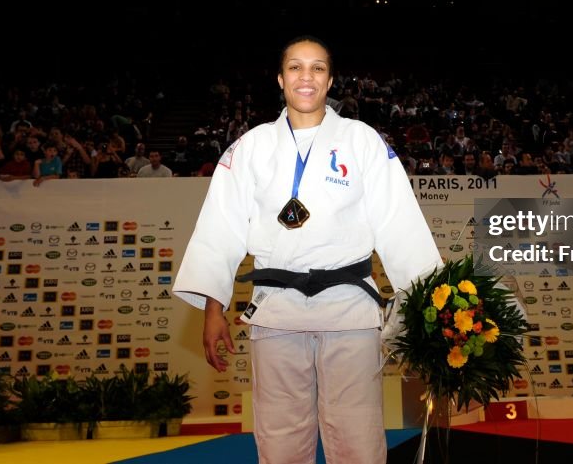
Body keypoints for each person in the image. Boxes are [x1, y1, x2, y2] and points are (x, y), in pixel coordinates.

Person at [174, 36, 441, 464]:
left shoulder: (361, 140)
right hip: (277, 309)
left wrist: (434, 311)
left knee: (357, 438)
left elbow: (400, 225)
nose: (306, 76)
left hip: (350, 308)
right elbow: (219, 229)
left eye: (317, 68)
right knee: (280, 440)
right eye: (296, 67)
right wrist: (212, 308)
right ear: (281, 79)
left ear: (330, 80)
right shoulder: (251, 147)